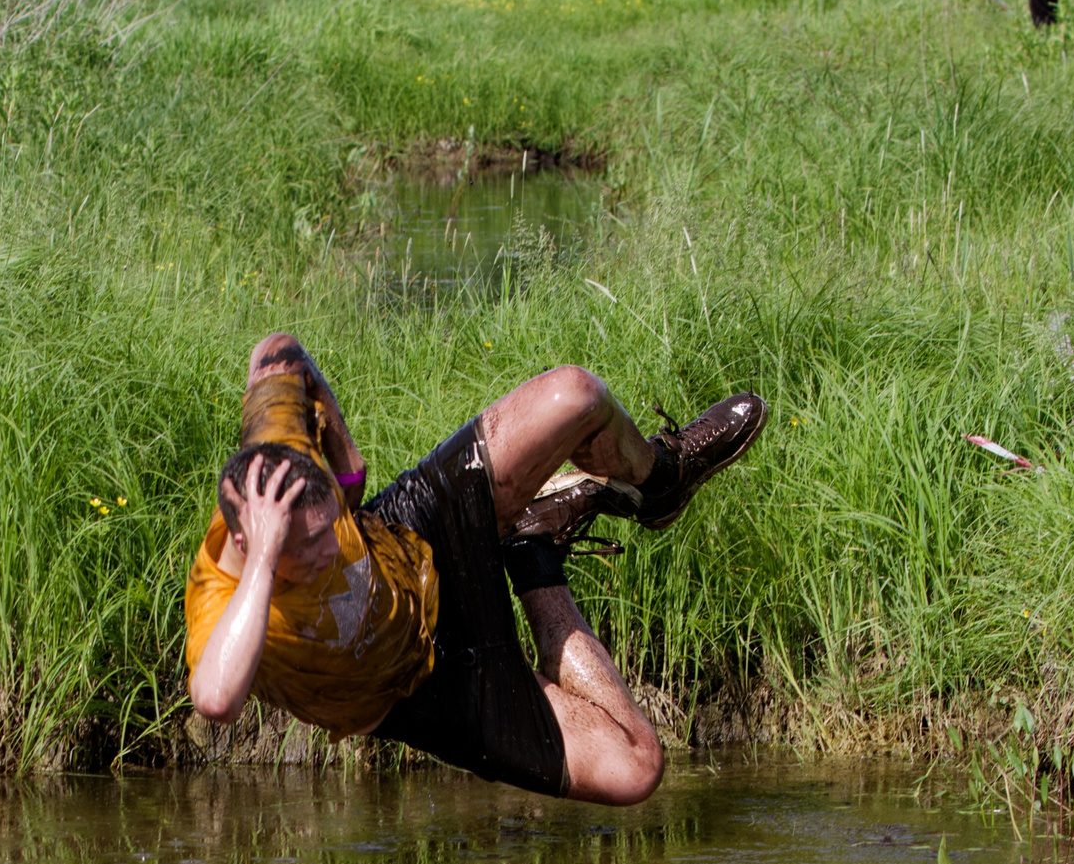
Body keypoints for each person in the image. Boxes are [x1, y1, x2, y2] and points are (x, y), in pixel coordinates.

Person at [185, 336, 766, 806]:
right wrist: (265, 560)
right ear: (248, 536)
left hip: (412, 535)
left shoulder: (277, 455)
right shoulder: (221, 602)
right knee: (637, 767)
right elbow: (214, 699)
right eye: (306, 552)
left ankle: (662, 479)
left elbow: (277, 350)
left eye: (327, 531)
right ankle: (533, 548)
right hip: (421, 691)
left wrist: (349, 472)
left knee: (577, 394)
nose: (330, 551)